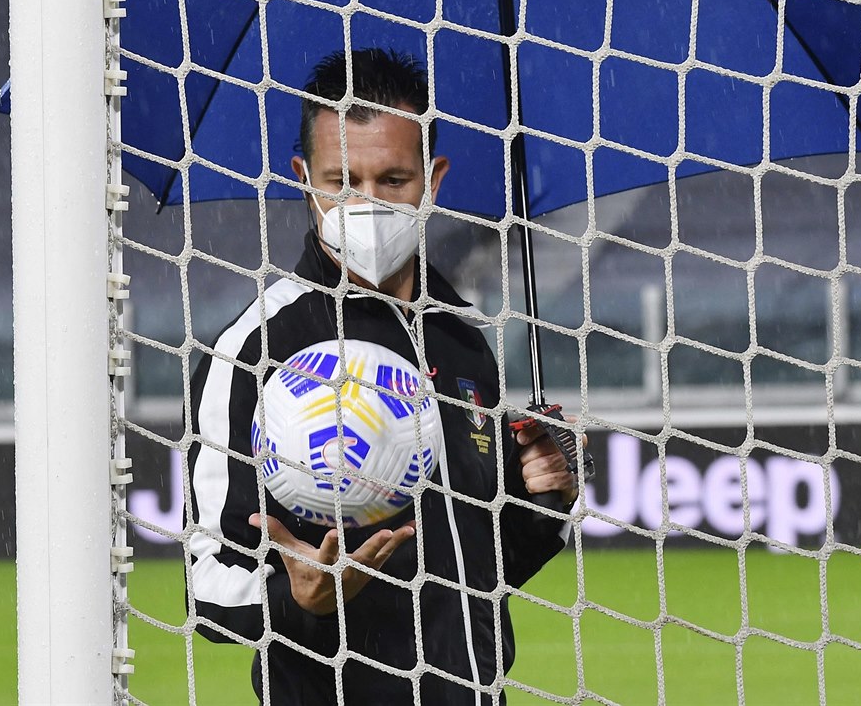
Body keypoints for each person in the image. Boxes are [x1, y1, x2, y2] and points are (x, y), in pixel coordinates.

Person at [186, 47, 580, 704]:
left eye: (393, 179)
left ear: (433, 178)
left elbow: (478, 572)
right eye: (343, 181)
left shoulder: (463, 337)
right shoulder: (255, 347)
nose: (366, 204)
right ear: (304, 178)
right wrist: (298, 599)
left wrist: (542, 503)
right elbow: (204, 586)